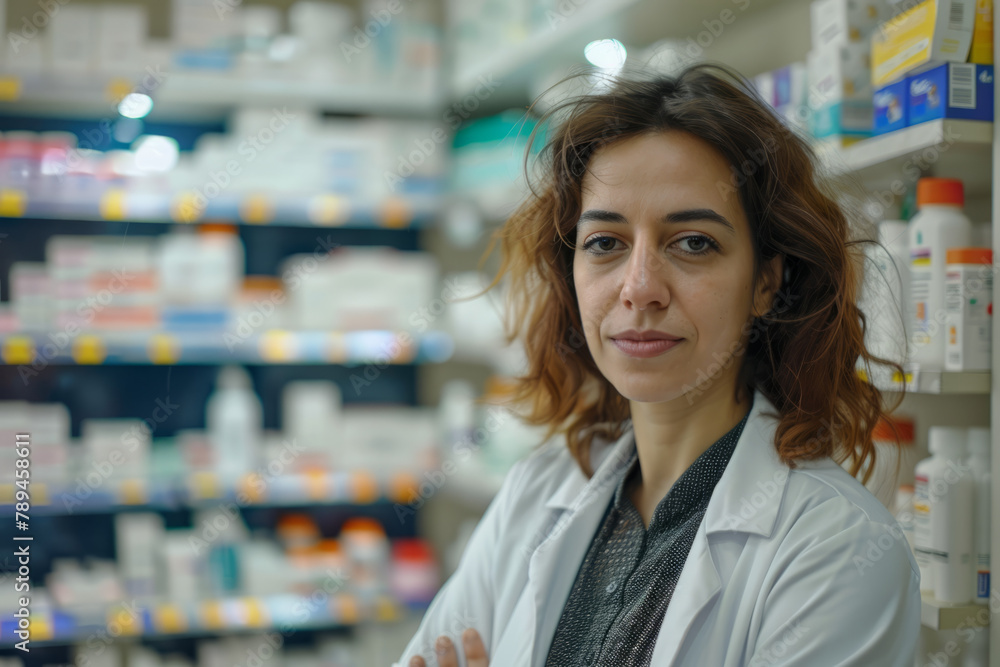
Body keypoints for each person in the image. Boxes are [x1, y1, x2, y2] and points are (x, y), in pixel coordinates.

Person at [394, 62, 920, 667]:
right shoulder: (537, 493)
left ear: (766, 284)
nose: (639, 287)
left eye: (693, 242)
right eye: (605, 243)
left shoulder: (838, 546)